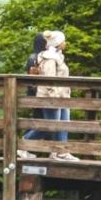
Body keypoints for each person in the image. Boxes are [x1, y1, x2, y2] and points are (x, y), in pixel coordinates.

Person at [22, 29, 76, 161]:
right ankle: (23, 145)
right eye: (64, 40)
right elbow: (50, 80)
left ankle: (61, 152)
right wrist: (54, 98)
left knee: (64, 124)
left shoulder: (57, 56)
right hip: (52, 97)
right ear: (58, 42)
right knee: (49, 126)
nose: (65, 43)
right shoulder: (50, 58)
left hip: (62, 96)